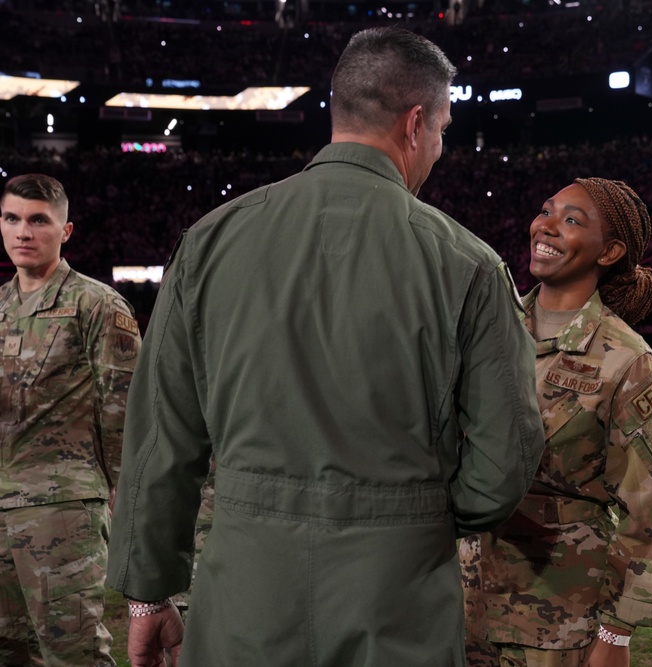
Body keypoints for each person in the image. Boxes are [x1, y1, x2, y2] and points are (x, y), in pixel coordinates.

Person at [106, 27, 545, 667]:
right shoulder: (467, 262)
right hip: (397, 592)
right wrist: (423, 516)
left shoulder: (211, 241)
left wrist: (147, 594)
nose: (440, 148)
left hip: (245, 589)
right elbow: (505, 458)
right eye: (445, 129)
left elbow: (161, 438)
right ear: (416, 123)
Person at [461, 177, 652, 667]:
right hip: (458, 606)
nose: (546, 226)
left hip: (557, 618)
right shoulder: (486, 328)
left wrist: (617, 633)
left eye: (571, 220)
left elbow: (651, 508)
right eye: (546, 210)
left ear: (608, 252)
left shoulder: (626, 360)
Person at [0, 173, 141, 665]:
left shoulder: (96, 304)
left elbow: (126, 412)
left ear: (65, 231)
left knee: (73, 654)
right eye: (12, 218)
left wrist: (130, 506)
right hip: (2, 504)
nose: (23, 231)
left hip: (62, 509)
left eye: (38, 220)